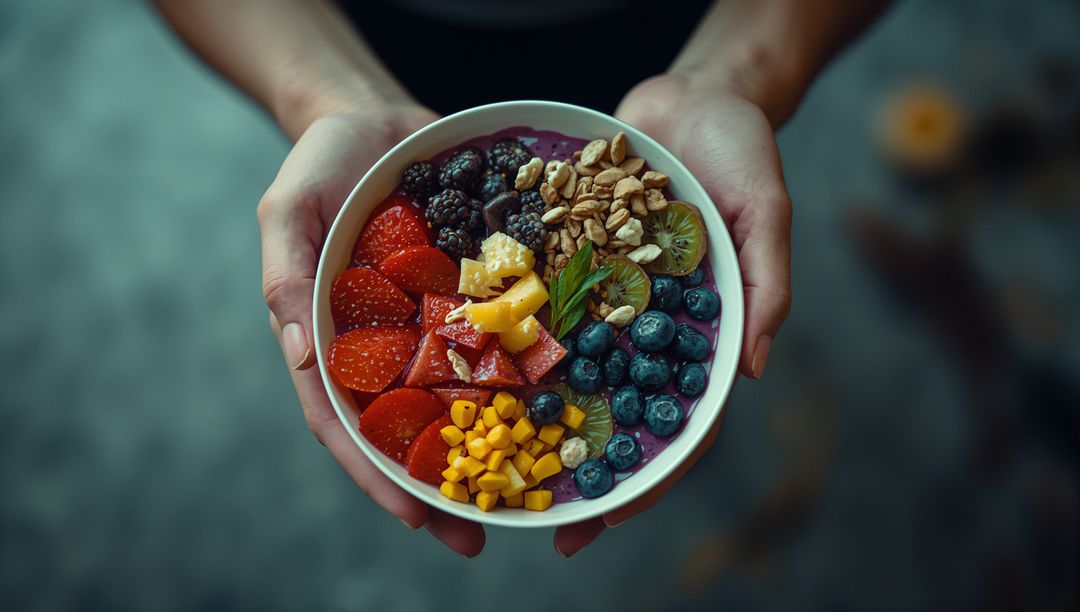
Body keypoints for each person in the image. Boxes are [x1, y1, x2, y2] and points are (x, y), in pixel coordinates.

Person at [154, 0, 889, 558]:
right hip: (369, 36)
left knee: (669, 415)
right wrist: (325, 96)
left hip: (678, 25)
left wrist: (739, 71)